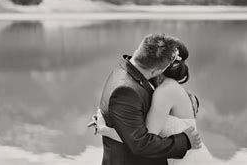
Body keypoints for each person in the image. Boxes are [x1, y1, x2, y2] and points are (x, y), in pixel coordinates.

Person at [90, 33, 211, 164]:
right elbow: (140, 140)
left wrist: (106, 130)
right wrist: (114, 121)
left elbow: (142, 143)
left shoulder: (124, 74)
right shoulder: (133, 88)